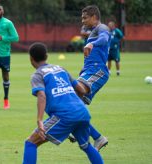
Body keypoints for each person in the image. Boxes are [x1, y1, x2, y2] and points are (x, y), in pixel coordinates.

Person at [22, 42, 104, 164]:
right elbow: (81, 90)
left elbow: (41, 95)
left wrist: (40, 120)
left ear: (31, 58)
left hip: (64, 116)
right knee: (86, 146)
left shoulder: (37, 75)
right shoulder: (61, 68)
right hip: (82, 112)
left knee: (31, 142)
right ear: (47, 56)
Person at [72, 5, 111, 151]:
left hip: (98, 71)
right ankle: (97, 137)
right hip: (89, 71)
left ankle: (85, 131)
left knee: (72, 96)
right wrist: (84, 68)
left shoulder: (103, 28)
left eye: (85, 17)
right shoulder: (93, 31)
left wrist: (91, 43)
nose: (82, 21)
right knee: (74, 105)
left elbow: (104, 39)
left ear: (94, 16)